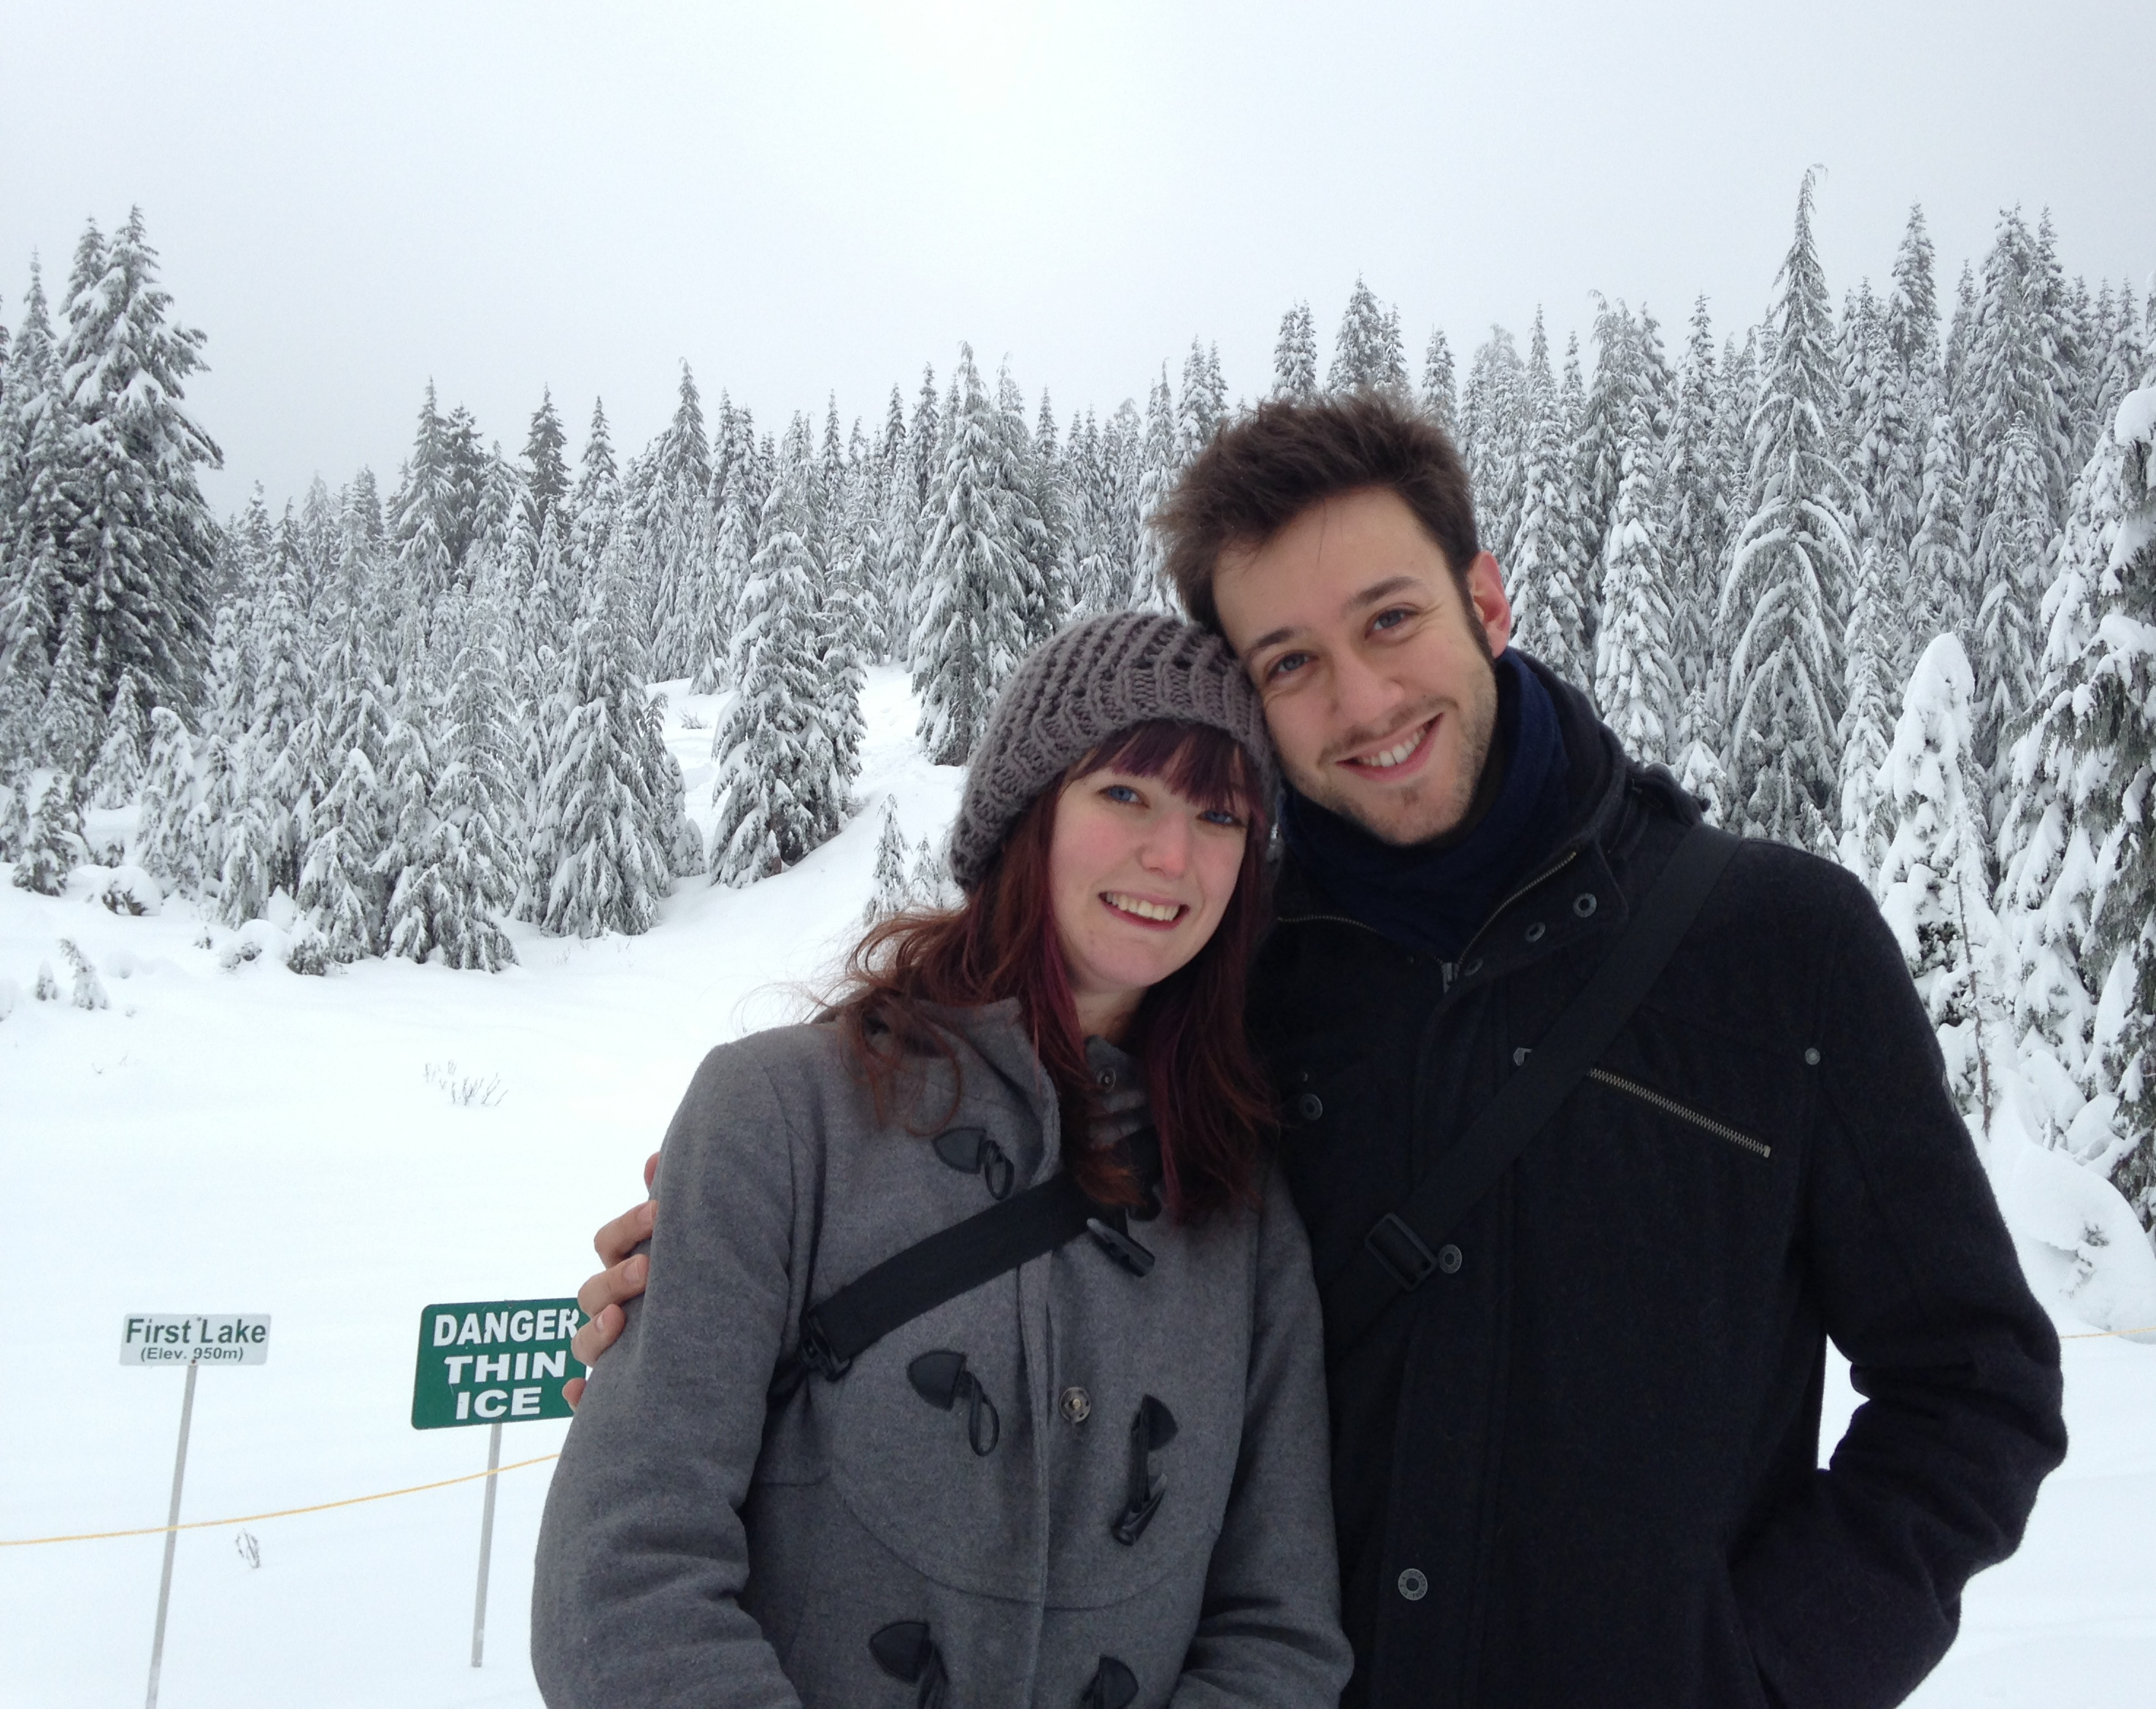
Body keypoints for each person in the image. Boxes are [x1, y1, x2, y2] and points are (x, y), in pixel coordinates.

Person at [571, 396, 2068, 1708]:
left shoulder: (1774, 948)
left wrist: (1763, 1670)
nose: (1362, 703)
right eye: (1290, 662)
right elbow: (977, 1140)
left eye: (1391, 620)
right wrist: (715, 1243)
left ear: (1487, 595)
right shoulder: (1234, 997)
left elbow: (1974, 1382)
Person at [532, 612, 1352, 1709]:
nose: (1173, 856)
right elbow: (622, 1577)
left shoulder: (1238, 1201)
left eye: (1221, 816)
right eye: (1125, 795)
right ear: (1028, 813)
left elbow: (1281, 1629)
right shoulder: (781, 1115)